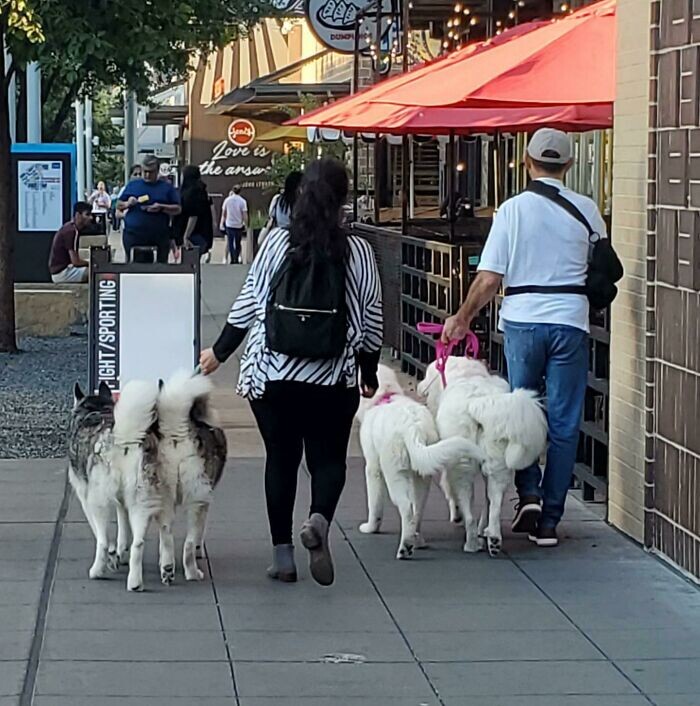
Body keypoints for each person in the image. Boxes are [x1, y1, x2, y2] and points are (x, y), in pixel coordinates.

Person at [199, 158, 383, 586]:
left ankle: (282, 556)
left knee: (280, 460)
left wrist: (220, 353)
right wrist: (368, 369)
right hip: (332, 376)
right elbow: (372, 318)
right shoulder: (359, 252)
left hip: (273, 375)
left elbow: (249, 302)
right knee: (328, 458)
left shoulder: (276, 244)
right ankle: (318, 520)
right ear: (343, 200)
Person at [442, 128, 607, 548]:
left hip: (523, 320)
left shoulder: (512, 211)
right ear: (568, 165)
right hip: (571, 320)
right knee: (566, 421)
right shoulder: (588, 210)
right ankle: (550, 518)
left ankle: (528, 495)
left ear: (528, 162)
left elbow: (490, 277)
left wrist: (462, 317)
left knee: (519, 410)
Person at [117, 155, 181, 263]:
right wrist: (128, 203)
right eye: (145, 171)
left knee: (159, 267)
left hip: (159, 235)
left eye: (151, 172)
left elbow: (178, 209)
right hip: (134, 235)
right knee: (134, 266)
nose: (147, 175)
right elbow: (118, 205)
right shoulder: (133, 185)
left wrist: (161, 207)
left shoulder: (166, 187)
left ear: (157, 171)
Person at [48, 202, 93, 283]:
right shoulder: (72, 231)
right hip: (62, 273)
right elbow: (75, 262)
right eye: (87, 214)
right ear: (78, 215)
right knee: (94, 273)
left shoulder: (69, 227)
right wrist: (92, 263)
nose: (91, 218)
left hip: (61, 270)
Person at [177, 165, 214, 261]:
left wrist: (186, 236)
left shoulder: (191, 192)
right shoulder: (202, 190)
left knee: (189, 265)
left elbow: (193, 215)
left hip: (192, 234)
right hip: (203, 232)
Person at [220, 185, 248, 264]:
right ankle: (237, 256)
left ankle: (232, 258)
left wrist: (222, 222)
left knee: (230, 241)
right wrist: (246, 224)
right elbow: (244, 214)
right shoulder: (242, 201)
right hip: (238, 225)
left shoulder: (227, 200)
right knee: (238, 242)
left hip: (229, 224)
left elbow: (224, 213)